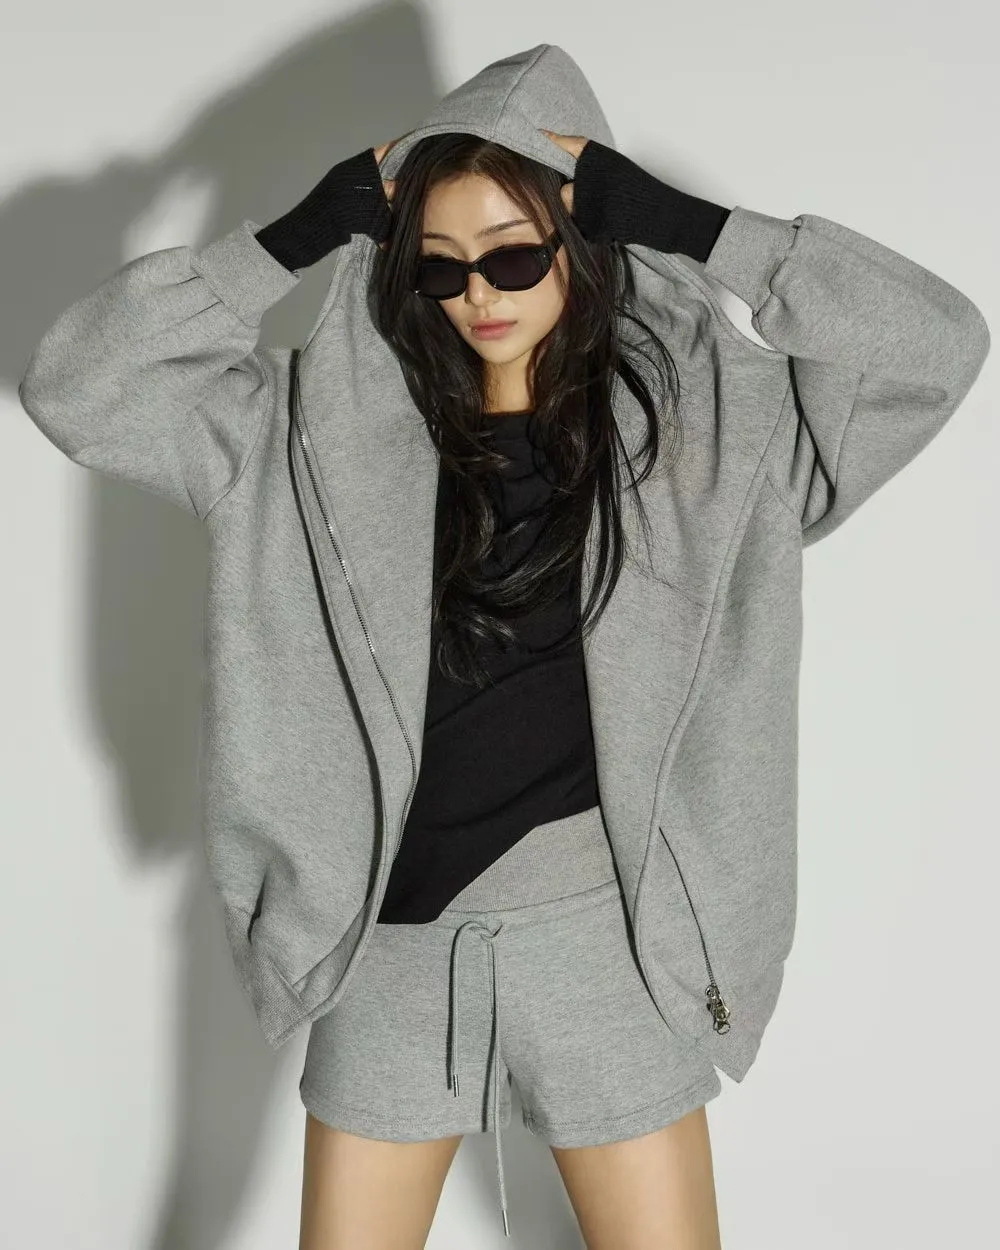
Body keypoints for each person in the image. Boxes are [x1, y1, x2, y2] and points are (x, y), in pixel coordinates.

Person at [18, 42, 990, 1250]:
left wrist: (701, 229)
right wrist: (284, 241)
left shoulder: (716, 441)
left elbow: (934, 344)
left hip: (607, 945)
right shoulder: (294, 437)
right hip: (387, 952)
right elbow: (77, 385)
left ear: (582, 242)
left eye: (514, 255)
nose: (478, 291)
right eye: (441, 265)